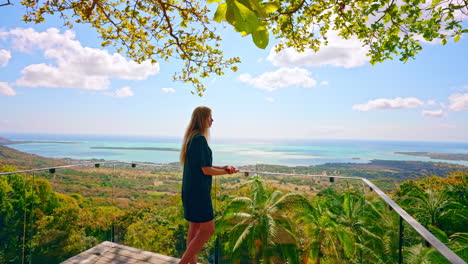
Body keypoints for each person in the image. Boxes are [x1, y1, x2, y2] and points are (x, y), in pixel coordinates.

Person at [179, 106, 239, 264]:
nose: (212, 120)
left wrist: (224, 167)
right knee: (208, 230)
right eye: (210, 117)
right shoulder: (199, 139)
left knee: (195, 228)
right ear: (202, 119)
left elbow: (202, 165)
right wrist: (227, 173)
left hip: (190, 190)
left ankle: (191, 262)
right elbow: (206, 170)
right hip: (199, 193)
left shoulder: (192, 138)